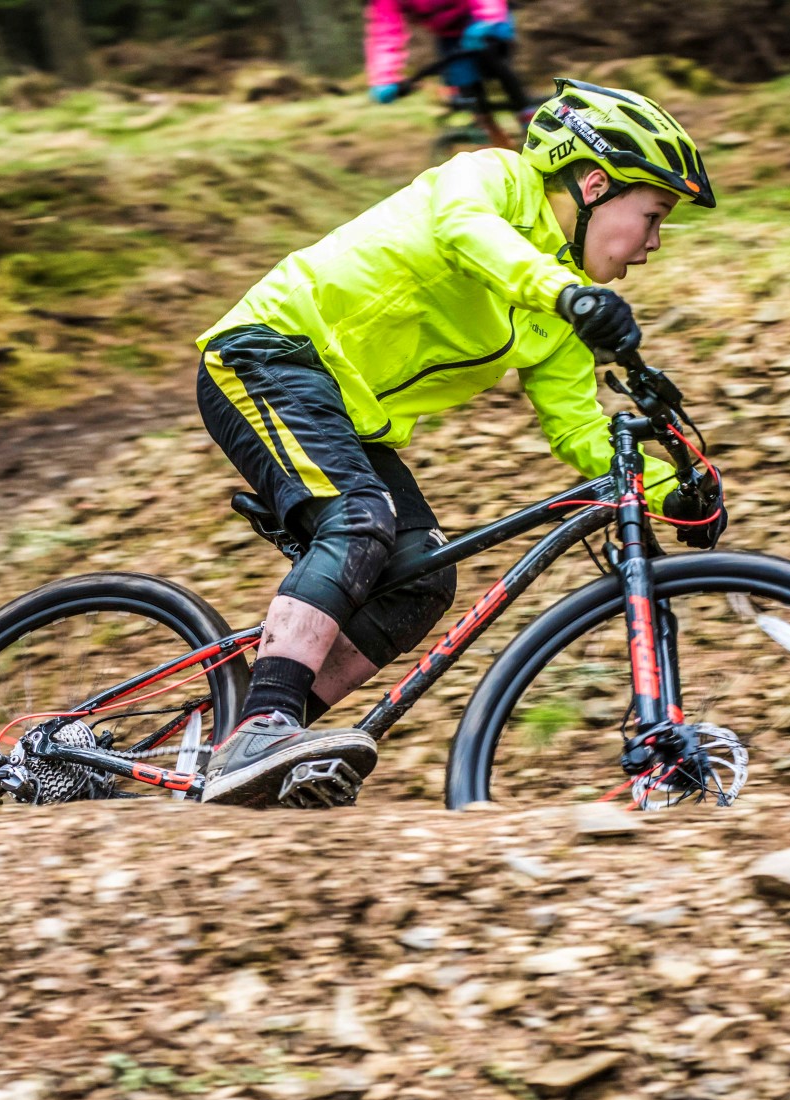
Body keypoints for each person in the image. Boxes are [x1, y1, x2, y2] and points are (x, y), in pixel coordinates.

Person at [194, 79, 723, 806]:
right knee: (361, 519)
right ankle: (260, 727)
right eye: (653, 216)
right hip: (269, 353)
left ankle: (249, 748)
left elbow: (577, 427)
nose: (655, 243)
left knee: (422, 580)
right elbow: (464, 230)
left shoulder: (557, 310)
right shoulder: (493, 180)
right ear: (596, 184)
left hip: (344, 412)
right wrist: (566, 294)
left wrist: (673, 493)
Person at [365, 0, 533, 127]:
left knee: (493, 61)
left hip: (484, 16)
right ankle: (490, 133)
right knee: (466, 85)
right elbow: (385, 32)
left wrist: (487, 21)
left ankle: (527, 114)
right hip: (449, 34)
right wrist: (384, 78)